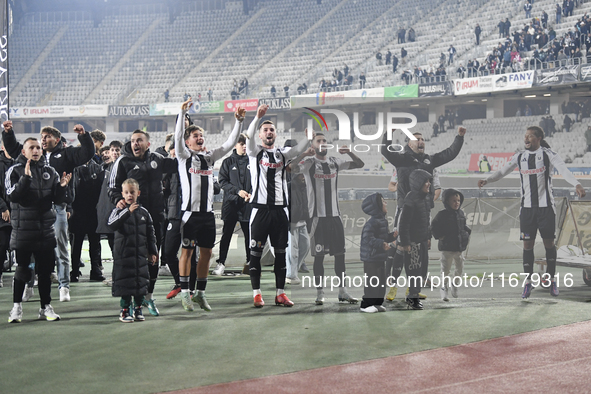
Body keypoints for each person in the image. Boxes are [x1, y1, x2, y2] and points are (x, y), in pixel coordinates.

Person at [478, 126, 586, 298]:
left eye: (530, 136)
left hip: (546, 209)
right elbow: (502, 171)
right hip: (527, 211)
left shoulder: (549, 154)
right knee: (527, 245)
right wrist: (487, 179)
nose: (526, 139)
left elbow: (564, 170)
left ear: (539, 138)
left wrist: (577, 184)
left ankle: (551, 280)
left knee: (549, 244)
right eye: (525, 136)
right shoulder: (519, 156)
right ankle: (528, 282)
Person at [2, 120, 95, 302]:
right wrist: (8, 133)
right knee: (33, 250)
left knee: (61, 248)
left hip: (59, 207)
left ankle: (64, 286)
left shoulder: (67, 154)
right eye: (42, 137)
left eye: (47, 137)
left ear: (57, 139)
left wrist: (84, 136)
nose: (43, 141)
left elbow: (87, 153)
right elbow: (14, 149)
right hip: (38, 210)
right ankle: (29, 285)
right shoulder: (37, 154)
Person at [174, 100, 244, 312]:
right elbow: (177, 137)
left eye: (200, 135)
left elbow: (229, 143)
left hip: (206, 215)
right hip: (189, 215)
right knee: (186, 253)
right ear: (187, 141)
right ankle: (185, 293)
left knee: (205, 254)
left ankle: (201, 294)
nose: (199, 137)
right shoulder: (184, 157)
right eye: (195, 135)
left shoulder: (209, 157)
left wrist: (239, 122)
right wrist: (182, 112)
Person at [245, 104, 311, 308]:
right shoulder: (254, 152)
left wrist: (308, 137)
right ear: (260, 134)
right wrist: (257, 117)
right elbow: (248, 137)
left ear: (276, 134)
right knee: (255, 254)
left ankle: (280, 293)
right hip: (260, 211)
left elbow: (299, 149)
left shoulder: (283, 154)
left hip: (281, 211)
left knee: (281, 254)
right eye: (265, 130)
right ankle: (257, 294)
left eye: (272, 129)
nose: (269, 132)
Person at [290, 133, 364, 305]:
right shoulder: (309, 163)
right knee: (319, 257)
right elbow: (291, 168)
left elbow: (360, 164)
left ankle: (343, 292)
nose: (323, 143)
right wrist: (303, 154)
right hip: (317, 218)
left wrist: (350, 153)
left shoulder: (334, 162)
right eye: (319, 141)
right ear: (313, 145)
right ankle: (320, 293)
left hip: (335, 217)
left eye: (325, 141)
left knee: (340, 256)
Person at [109, 130, 177, 316]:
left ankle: (148, 296)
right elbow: (112, 187)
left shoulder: (157, 159)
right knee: (131, 260)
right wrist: (118, 200)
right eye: (132, 141)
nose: (135, 144)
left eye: (139, 140)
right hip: (130, 218)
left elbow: (180, 162)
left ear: (147, 143)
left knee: (152, 257)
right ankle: (129, 301)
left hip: (155, 217)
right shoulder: (122, 161)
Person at [7, 137, 72, 323]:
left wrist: (62, 188)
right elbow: (12, 196)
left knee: (45, 272)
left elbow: (57, 200)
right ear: (23, 152)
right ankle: (16, 308)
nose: (36, 150)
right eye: (31, 147)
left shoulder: (50, 172)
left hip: (45, 230)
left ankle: (45, 307)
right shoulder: (15, 171)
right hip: (23, 230)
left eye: (38, 147)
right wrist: (26, 179)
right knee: (22, 270)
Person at [107, 178, 158, 323]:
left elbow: (150, 233)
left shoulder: (144, 213)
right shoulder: (118, 210)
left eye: (132, 192)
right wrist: (126, 212)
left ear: (138, 193)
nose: (129, 195)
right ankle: (124, 310)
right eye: (127, 192)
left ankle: (138, 308)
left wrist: (152, 251)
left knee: (140, 283)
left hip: (140, 256)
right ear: (122, 194)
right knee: (125, 284)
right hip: (123, 256)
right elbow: (111, 225)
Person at [215, 133, 252, 276]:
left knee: (249, 235)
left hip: (247, 204)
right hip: (230, 204)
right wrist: (238, 191)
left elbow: (256, 181)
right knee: (227, 235)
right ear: (235, 145)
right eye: (241, 144)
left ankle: (250, 263)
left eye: (245, 144)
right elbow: (222, 182)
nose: (244, 146)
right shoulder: (227, 162)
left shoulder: (252, 161)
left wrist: (250, 194)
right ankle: (221, 263)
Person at [397, 169, 432, 310]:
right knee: (414, 272)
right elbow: (404, 223)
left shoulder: (425, 198)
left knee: (422, 271)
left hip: (422, 241)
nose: (429, 184)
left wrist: (428, 237)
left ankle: (414, 294)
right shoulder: (411, 198)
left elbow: (426, 220)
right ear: (418, 182)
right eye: (426, 181)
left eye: (429, 181)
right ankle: (413, 297)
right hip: (413, 243)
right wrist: (405, 243)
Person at [431, 189, 471, 301]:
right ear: (446, 202)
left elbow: (463, 226)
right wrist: (439, 236)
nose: (457, 202)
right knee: (445, 270)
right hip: (447, 248)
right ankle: (444, 288)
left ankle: (455, 284)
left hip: (459, 248)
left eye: (458, 200)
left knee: (459, 269)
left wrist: (466, 233)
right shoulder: (442, 215)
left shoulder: (461, 213)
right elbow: (433, 227)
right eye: (453, 200)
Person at [69, 158, 105, 282]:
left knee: (95, 242)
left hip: (93, 211)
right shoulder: (74, 169)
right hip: (77, 211)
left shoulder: (98, 168)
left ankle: (95, 270)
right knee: (76, 243)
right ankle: (74, 271)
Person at [359, 193, 395, 313]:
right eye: (383, 202)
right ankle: (366, 304)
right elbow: (367, 238)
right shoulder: (373, 222)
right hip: (371, 258)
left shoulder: (382, 220)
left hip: (379, 257)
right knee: (372, 282)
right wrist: (382, 244)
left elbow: (383, 237)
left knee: (381, 282)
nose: (386, 203)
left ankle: (377, 303)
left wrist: (392, 236)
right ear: (377, 206)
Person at [0, 144, 13, 288]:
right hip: (3, 213)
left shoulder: (21, 163)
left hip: (19, 212)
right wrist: (3, 208)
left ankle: (31, 277)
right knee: (2, 244)